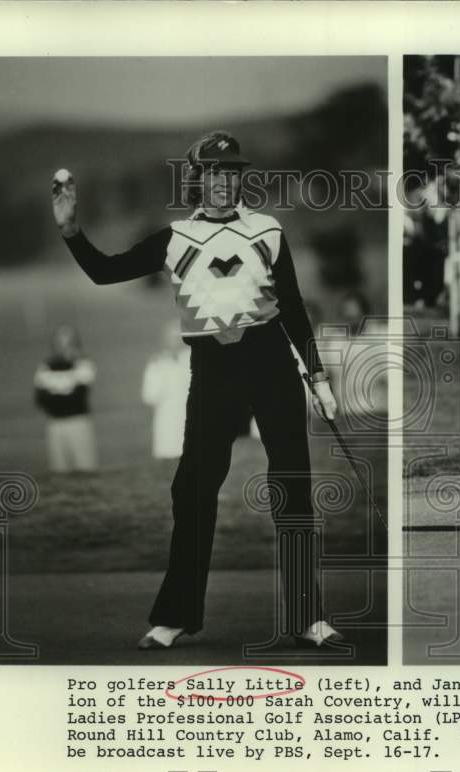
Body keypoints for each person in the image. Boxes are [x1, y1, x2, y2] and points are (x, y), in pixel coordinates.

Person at [50, 130, 344, 650]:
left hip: (272, 362)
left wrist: (318, 377)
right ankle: (178, 613)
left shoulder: (268, 231)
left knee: (293, 487)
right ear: (197, 179)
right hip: (213, 369)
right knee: (192, 491)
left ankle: (307, 616)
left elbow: (294, 308)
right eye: (214, 173)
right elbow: (105, 271)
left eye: (233, 173)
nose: (225, 182)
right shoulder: (174, 238)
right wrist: (72, 231)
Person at [34, 325, 98, 473]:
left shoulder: (83, 364)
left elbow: (78, 396)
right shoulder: (47, 366)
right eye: (60, 342)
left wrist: (55, 392)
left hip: (78, 423)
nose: (64, 347)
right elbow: (40, 398)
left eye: (68, 342)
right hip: (55, 425)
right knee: (59, 470)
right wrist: (65, 391)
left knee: (85, 469)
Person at [141, 321, 193, 460]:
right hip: (167, 423)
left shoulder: (194, 359)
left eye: (179, 337)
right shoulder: (157, 364)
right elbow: (149, 397)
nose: (176, 341)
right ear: (164, 340)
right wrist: (158, 368)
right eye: (172, 337)